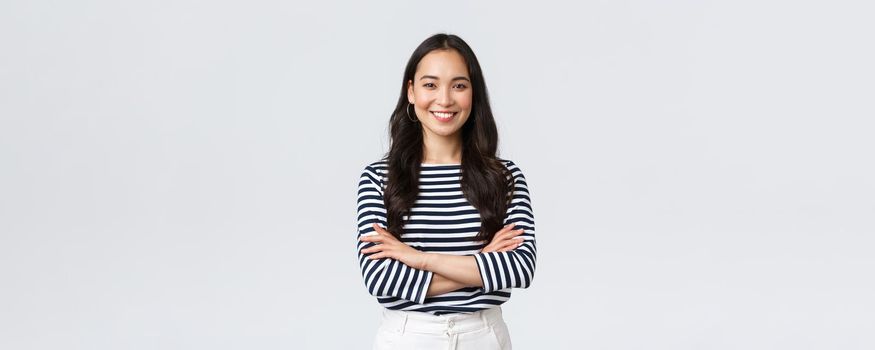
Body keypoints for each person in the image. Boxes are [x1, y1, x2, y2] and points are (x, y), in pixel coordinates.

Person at [355, 33, 536, 350]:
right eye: (430, 85)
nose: (445, 99)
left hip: (483, 337)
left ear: (473, 94)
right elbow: (381, 278)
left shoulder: (504, 177)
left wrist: (416, 259)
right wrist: (483, 261)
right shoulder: (378, 178)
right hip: (408, 338)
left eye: (459, 85)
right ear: (411, 91)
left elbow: (518, 267)